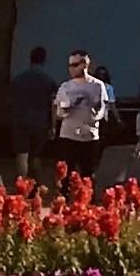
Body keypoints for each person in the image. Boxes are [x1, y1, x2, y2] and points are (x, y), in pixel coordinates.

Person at [50, 51, 114, 186]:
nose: (71, 69)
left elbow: (103, 108)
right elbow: (57, 110)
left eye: (74, 65)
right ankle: (65, 202)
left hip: (89, 136)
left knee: (88, 174)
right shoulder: (65, 86)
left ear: (85, 65)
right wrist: (64, 112)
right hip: (68, 135)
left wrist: (95, 116)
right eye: (69, 65)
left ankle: (88, 203)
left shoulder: (97, 85)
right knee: (65, 174)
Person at [11, 42, 60, 172]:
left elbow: (12, 100)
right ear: (44, 60)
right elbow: (54, 104)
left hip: (20, 120)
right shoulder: (49, 81)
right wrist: (53, 126)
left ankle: (21, 184)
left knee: (22, 154)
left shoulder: (18, 79)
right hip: (40, 121)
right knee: (35, 156)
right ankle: (35, 184)